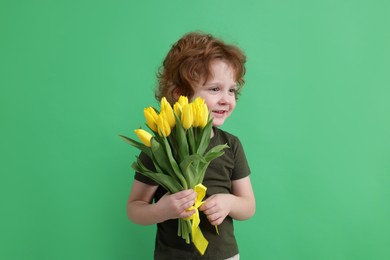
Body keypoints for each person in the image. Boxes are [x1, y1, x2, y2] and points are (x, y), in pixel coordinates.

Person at [127, 31, 256, 260]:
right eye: (214, 89)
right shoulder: (160, 146)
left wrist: (229, 203)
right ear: (180, 94)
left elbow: (248, 206)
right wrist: (161, 210)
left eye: (231, 90)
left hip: (223, 256)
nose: (226, 99)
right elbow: (134, 209)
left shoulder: (231, 145)